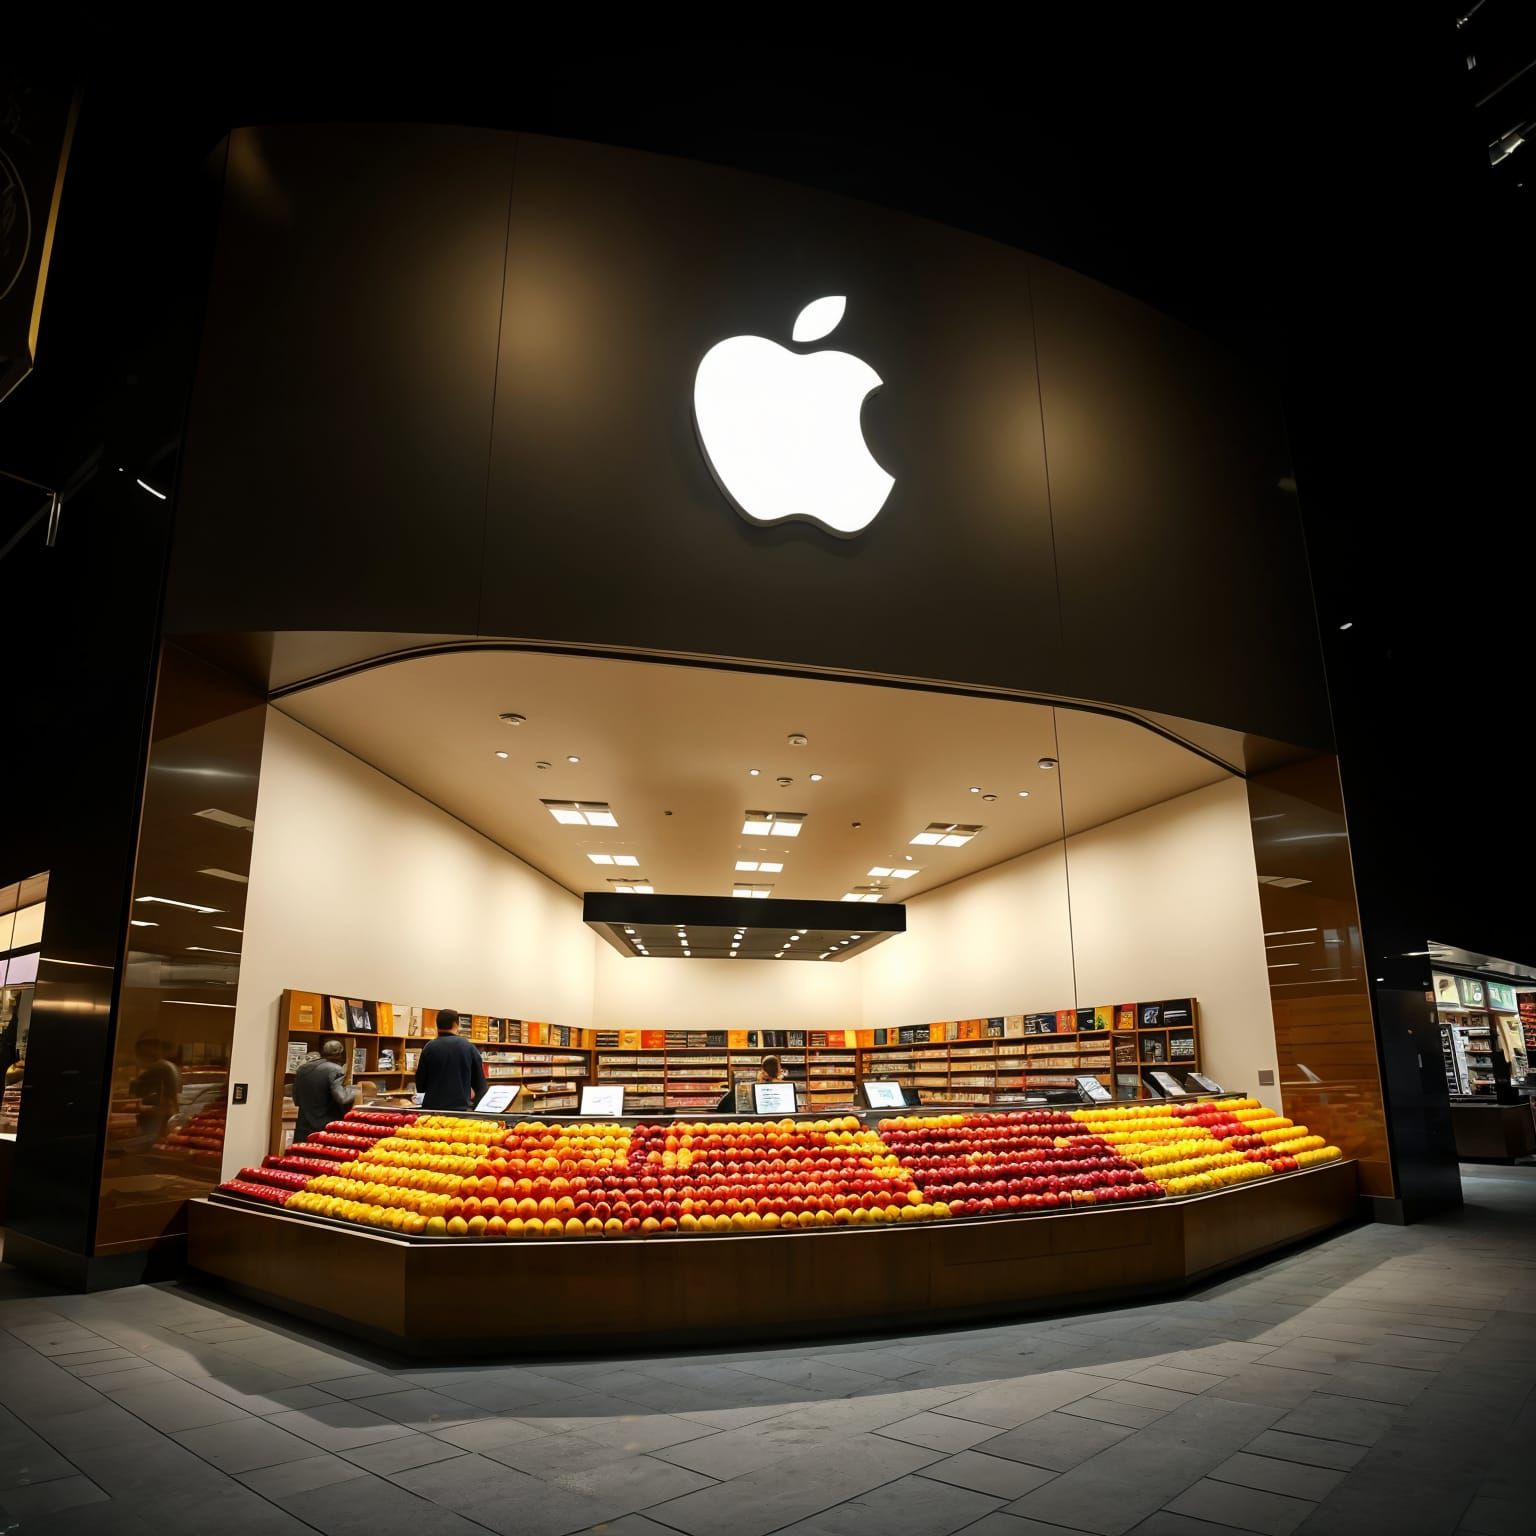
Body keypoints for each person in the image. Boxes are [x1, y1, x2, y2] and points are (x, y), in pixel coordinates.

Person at [415, 1009, 487, 1112]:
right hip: (460, 1111)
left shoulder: (429, 1048)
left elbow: (420, 1086)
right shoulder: (468, 1047)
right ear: (456, 1024)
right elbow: (480, 1086)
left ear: (437, 1025)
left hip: (432, 1111)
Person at [292, 1038, 358, 1143]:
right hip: (323, 1128)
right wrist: (355, 1089)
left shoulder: (302, 1068)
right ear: (340, 1054)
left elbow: (296, 1098)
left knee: (299, 1157)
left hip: (303, 1127)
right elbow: (342, 1098)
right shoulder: (334, 1069)